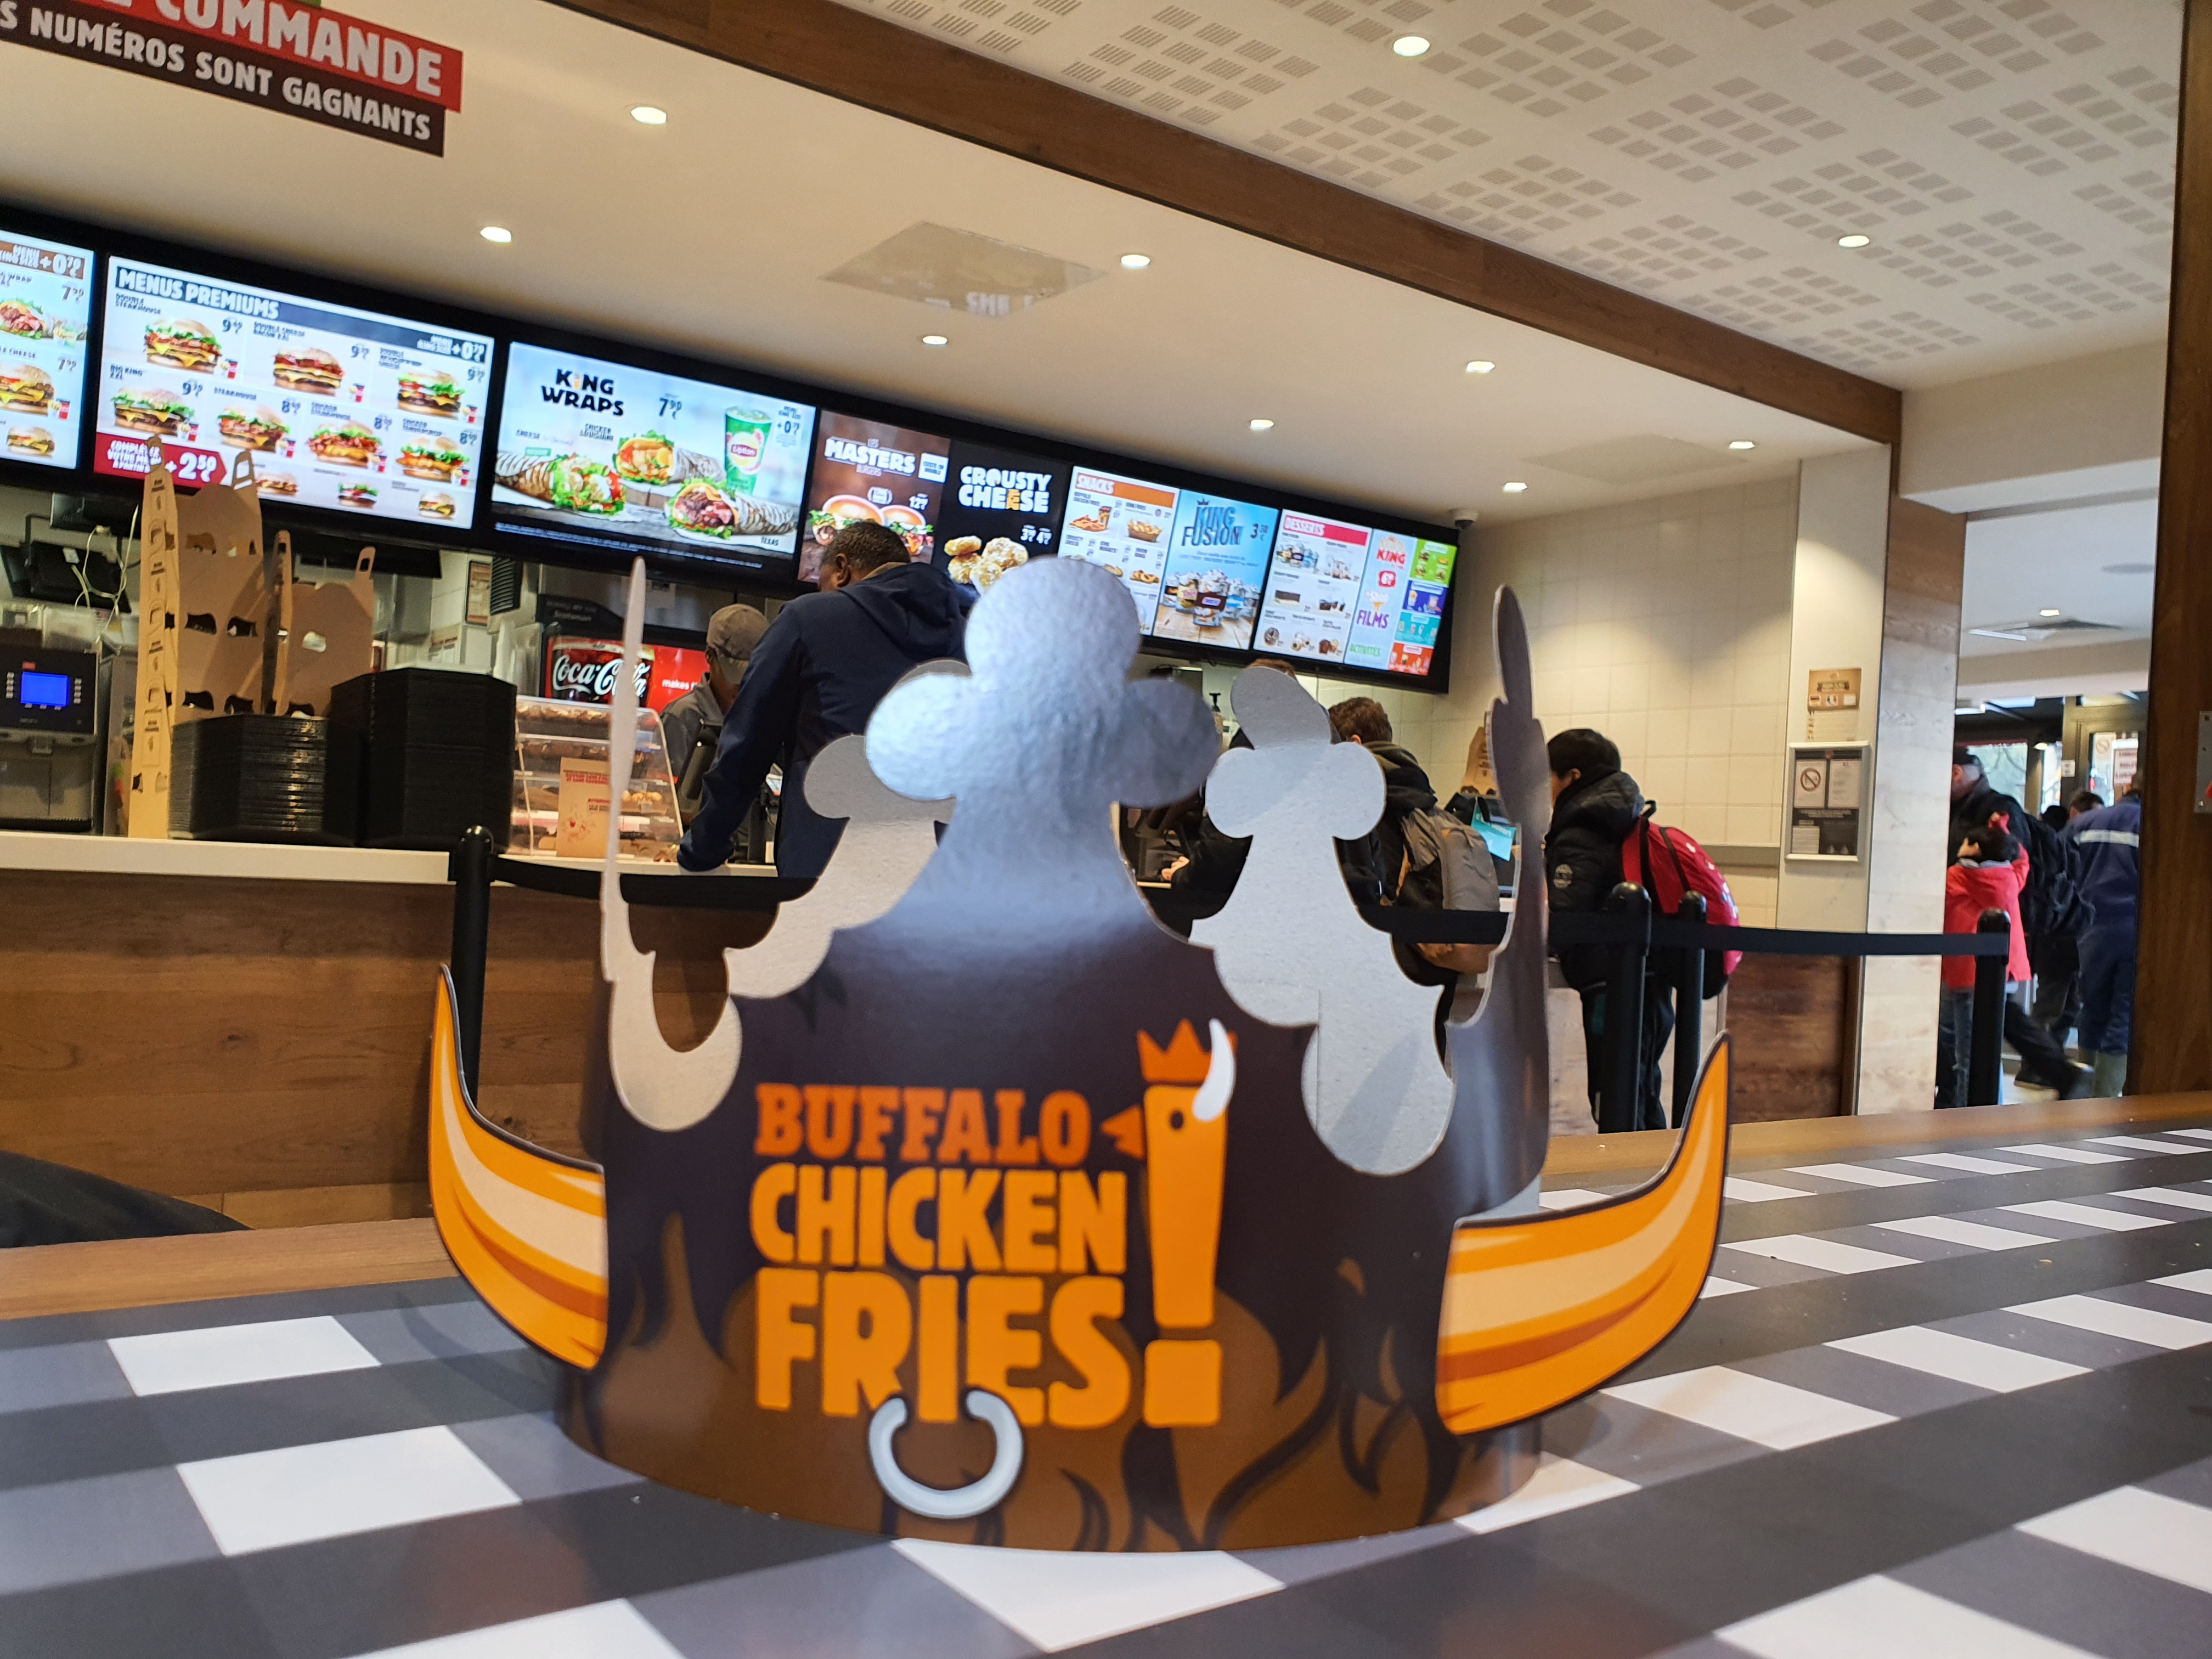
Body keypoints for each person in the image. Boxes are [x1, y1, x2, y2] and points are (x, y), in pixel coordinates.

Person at [679, 523, 964, 878]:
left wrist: (701, 852)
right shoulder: (971, 637)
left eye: (822, 583)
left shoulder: (809, 618)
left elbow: (748, 750)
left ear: (842, 570)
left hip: (833, 871)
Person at [1544, 727, 1673, 1132]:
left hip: (1609, 985)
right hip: (1650, 975)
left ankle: (1627, 1168)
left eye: (1549, 775)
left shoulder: (1582, 830)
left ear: (1573, 777)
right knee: (1641, 1089)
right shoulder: (1624, 818)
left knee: (1613, 1094)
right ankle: (1655, 1165)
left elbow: (1567, 914)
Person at [1948, 747, 2088, 1097]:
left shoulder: (1994, 810)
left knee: (1977, 1027)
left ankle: (1969, 1100)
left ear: (1956, 773)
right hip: (1979, 943)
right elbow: (2017, 867)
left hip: (1978, 941)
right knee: (1992, 1017)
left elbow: (2002, 873)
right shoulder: (1973, 809)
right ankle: (2060, 1074)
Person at [1936, 822, 2032, 1109]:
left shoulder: (1956, 876)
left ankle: (1968, 1113)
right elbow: (2022, 860)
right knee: (1984, 1050)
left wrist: (1995, 832)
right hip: (1999, 972)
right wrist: (2001, 832)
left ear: (1975, 848)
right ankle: (1984, 1107)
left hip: (1964, 972)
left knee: (1967, 1053)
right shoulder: (2009, 878)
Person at [2067, 782, 2141, 1096]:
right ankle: (2107, 1097)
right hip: (2136, 930)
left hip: (2090, 929)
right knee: (2123, 1016)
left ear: (2127, 788)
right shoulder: (2152, 827)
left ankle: (2084, 1095)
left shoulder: (2084, 824)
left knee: (2092, 1011)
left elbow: (2059, 870)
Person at [658, 602, 769, 791]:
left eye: (754, 675)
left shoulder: (764, 718)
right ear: (710, 656)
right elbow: (671, 799)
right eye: (736, 675)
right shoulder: (682, 718)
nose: (743, 686)